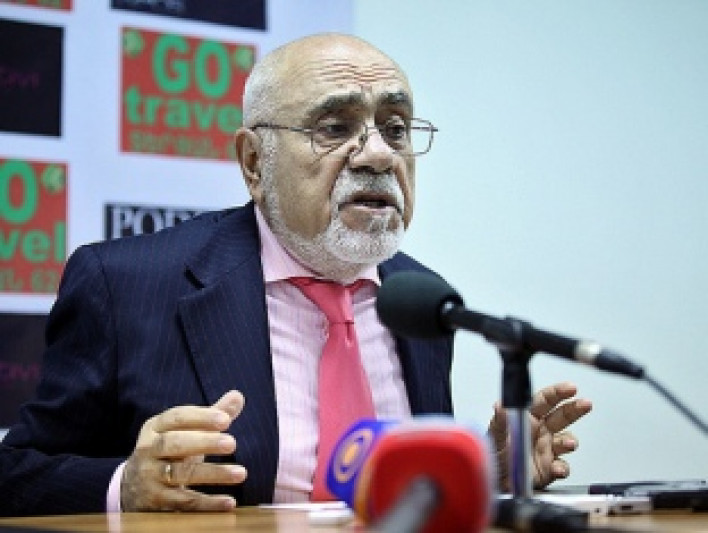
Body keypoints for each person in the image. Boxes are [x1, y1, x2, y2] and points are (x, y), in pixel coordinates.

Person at [0, 33, 591, 516]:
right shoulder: (124, 284)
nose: (379, 154)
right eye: (334, 127)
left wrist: (485, 473)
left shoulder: (423, 301)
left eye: (396, 128)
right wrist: (125, 485)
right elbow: (16, 475)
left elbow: (399, 504)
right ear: (255, 163)